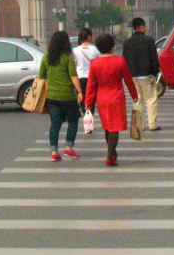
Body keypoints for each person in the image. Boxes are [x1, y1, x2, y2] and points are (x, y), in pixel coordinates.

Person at [85, 33, 138, 166]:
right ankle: (110, 155)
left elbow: (91, 85)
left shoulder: (94, 63)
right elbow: (128, 80)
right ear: (111, 47)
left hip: (102, 98)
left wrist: (88, 102)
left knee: (108, 127)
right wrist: (134, 95)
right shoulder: (120, 61)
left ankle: (112, 153)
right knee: (114, 127)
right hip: (117, 97)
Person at [38, 31, 83, 161]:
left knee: (55, 124)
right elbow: (73, 76)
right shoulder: (68, 57)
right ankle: (69, 148)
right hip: (67, 96)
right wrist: (79, 91)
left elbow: (41, 76)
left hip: (51, 96)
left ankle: (54, 152)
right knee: (73, 121)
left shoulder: (46, 57)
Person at [123, 17, 161, 131]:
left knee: (137, 100)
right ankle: (152, 124)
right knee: (151, 99)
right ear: (142, 27)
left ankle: (139, 124)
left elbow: (124, 59)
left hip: (133, 75)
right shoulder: (149, 40)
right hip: (146, 75)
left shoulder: (127, 42)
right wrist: (155, 73)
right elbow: (154, 58)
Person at [72, 28, 101, 121]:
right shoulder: (95, 50)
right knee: (91, 100)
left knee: (82, 100)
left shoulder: (75, 50)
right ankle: (90, 117)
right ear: (89, 37)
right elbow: (99, 64)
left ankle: (86, 117)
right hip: (92, 78)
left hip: (80, 78)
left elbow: (74, 65)